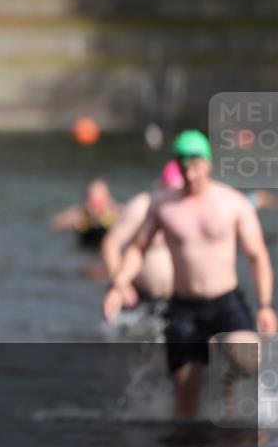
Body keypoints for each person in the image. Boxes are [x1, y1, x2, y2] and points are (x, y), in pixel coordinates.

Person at [107, 130, 276, 418]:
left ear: (208, 163)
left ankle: (229, 413)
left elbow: (257, 256)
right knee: (186, 399)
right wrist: (119, 283)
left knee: (247, 358)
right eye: (185, 166)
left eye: (196, 165)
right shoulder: (163, 206)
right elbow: (136, 249)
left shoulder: (233, 203)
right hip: (184, 307)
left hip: (225, 301)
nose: (191, 173)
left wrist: (264, 305)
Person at [101, 161, 185, 325]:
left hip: (178, 300)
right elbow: (111, 243)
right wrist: (120, 285)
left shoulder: (192, 210)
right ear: (161, 186)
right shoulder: (143, 206)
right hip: (140, 296)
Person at [51, 179, 120, 249]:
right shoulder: (80, 213)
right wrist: (75, 220)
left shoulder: (116, 212)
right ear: (87, 199)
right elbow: (56, 224)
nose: (97, 205)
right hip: (86, 248)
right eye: (93, 200)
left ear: (108, 198)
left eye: (100, 200)